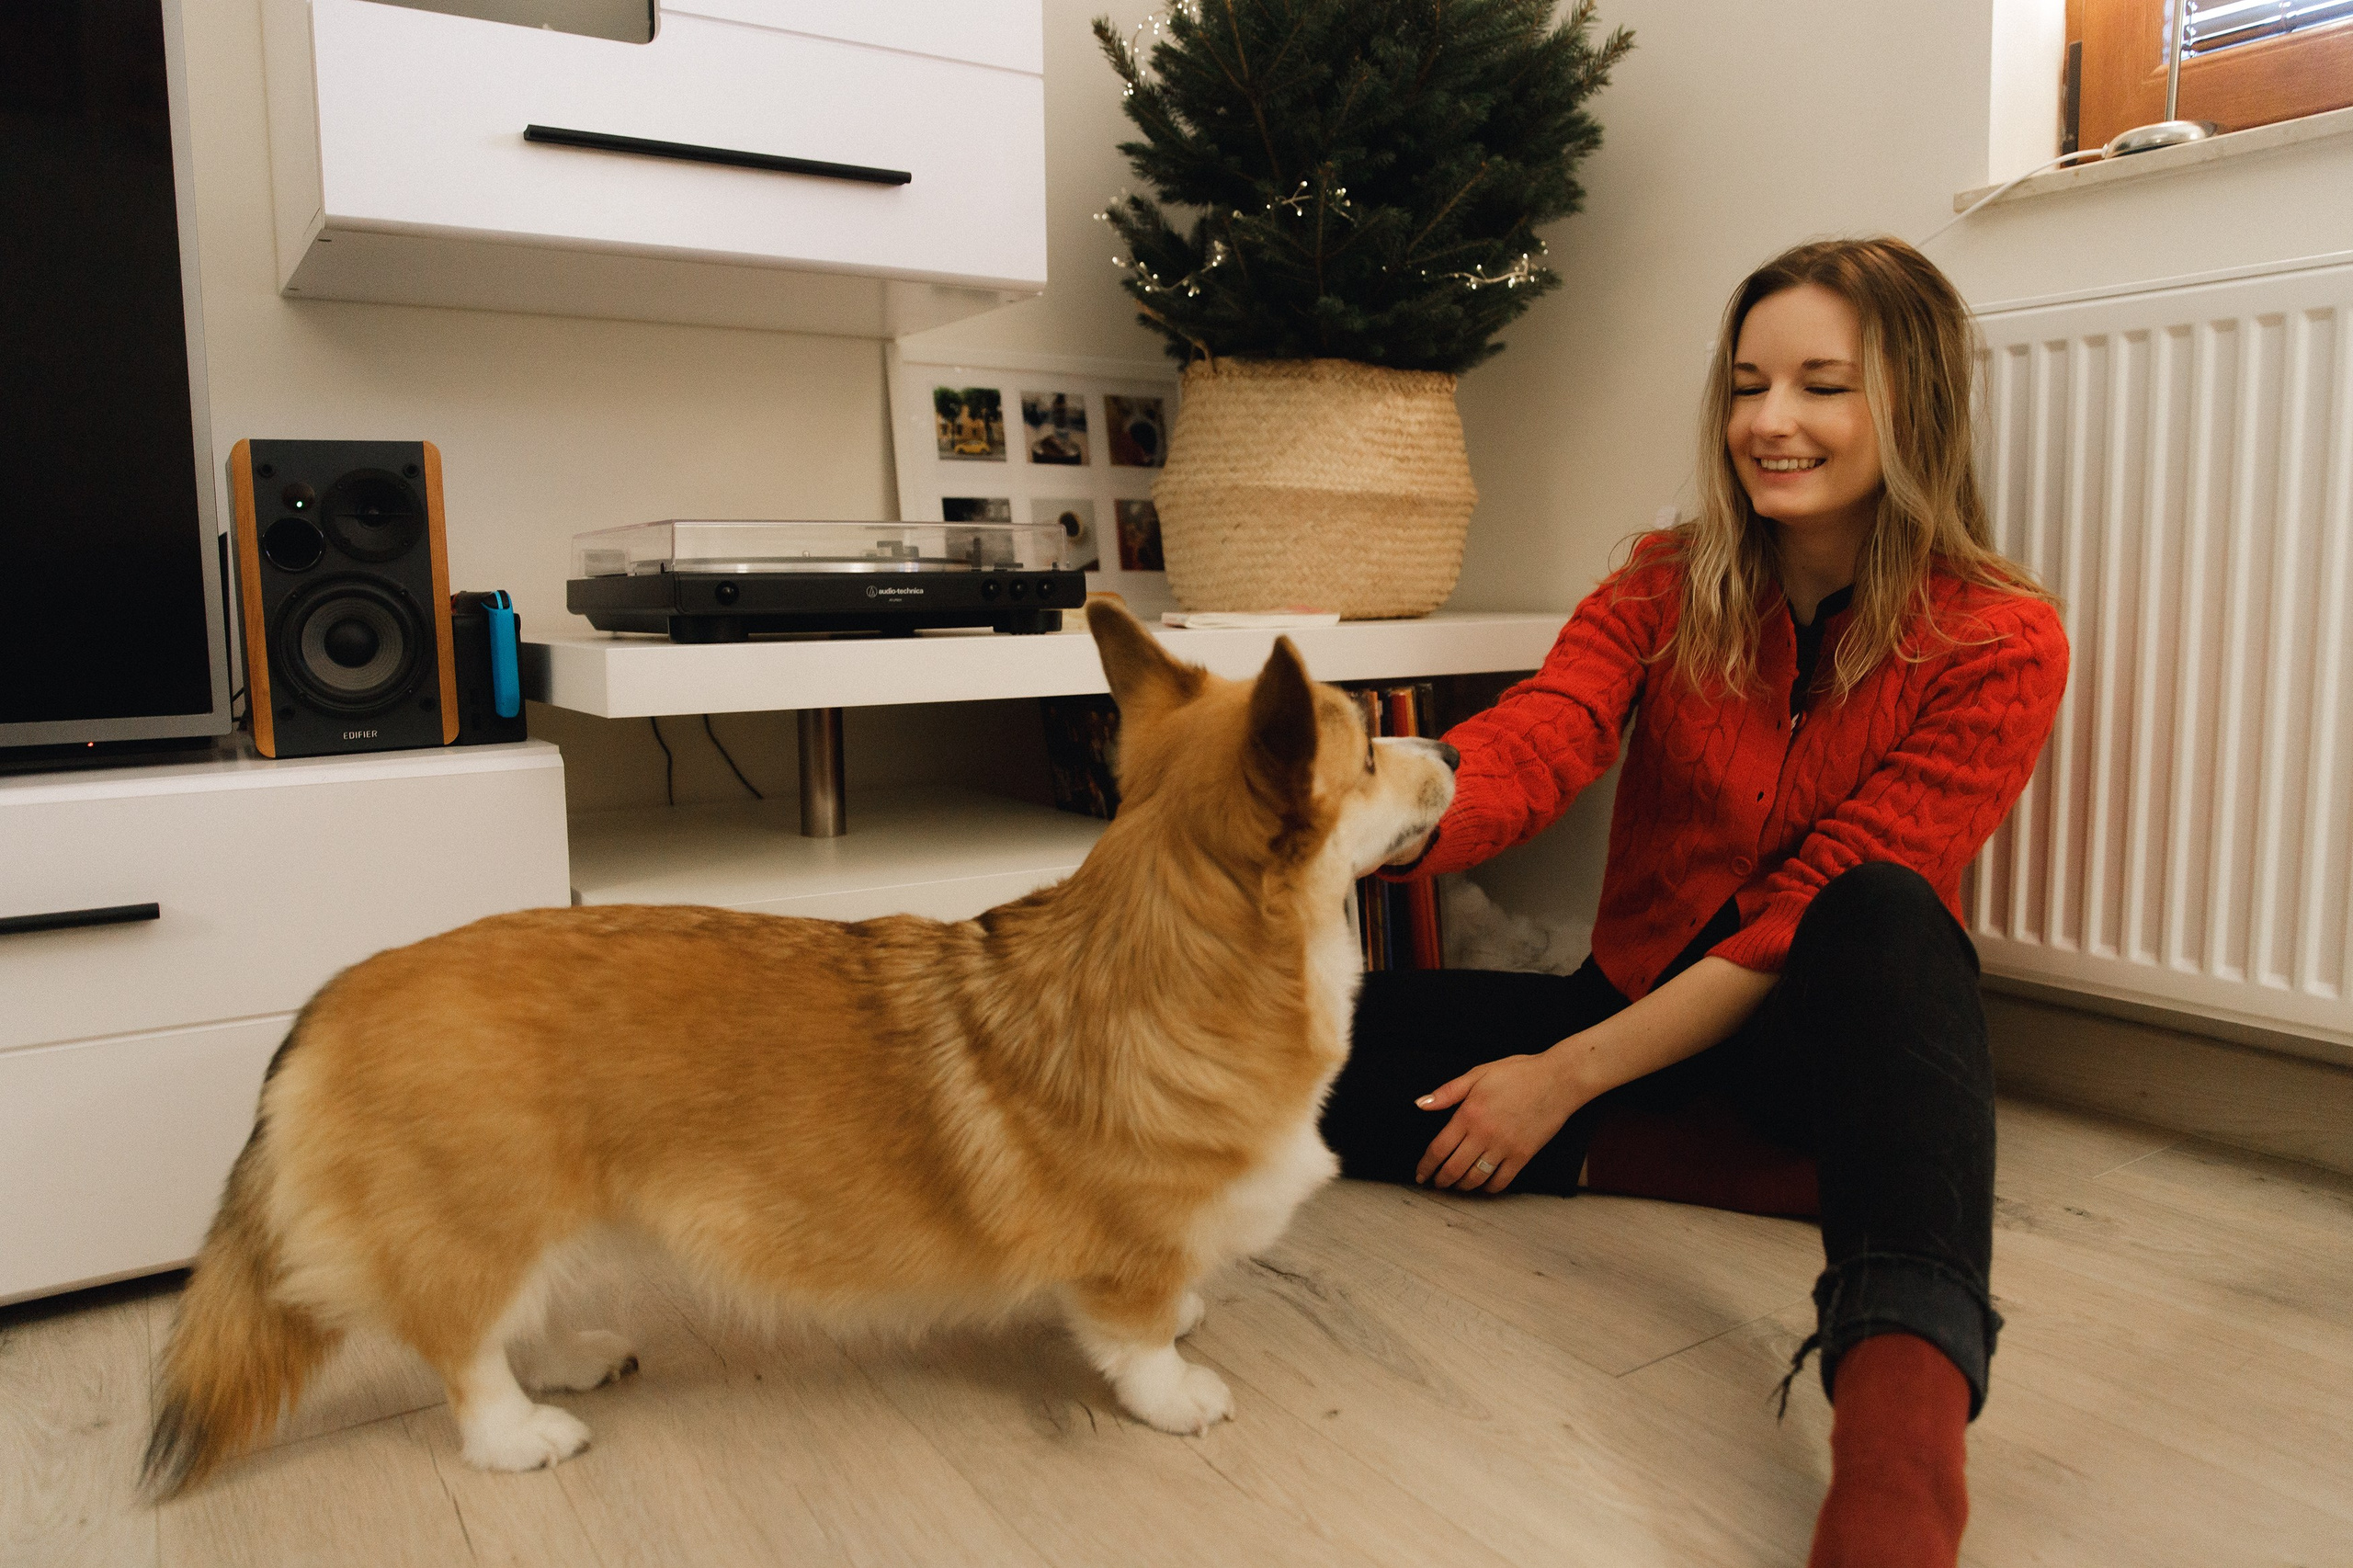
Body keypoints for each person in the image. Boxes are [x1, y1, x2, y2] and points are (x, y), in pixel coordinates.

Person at [1320, 236, 2067, 1568]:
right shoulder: (1663, 582)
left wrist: (1557, 1079)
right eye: (1748, 384)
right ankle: (1712, 1161)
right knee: (1301, 1042)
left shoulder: (2003, 637)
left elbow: (1801, 910)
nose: (1770, 423)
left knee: (1884, 906)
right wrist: (1372, 806)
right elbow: (1542, 737)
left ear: (1917, 404)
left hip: (1803, 1037)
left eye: (1822, 385)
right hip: (1634, 999)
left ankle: (1897, 1476)